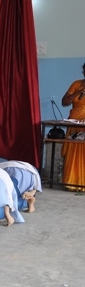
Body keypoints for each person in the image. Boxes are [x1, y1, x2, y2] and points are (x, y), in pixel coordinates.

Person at [60, 63, 85, 191]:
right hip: (75, 123)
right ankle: (72, 182)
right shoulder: (76, 84)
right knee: (74, 153)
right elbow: (64, 102)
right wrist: (79, 91)